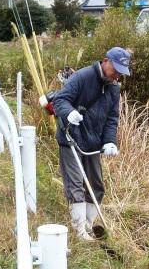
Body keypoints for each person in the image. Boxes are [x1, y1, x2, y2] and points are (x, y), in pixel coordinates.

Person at [53, 47, 131, 241]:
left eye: (122, 73)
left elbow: (112, 118)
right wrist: (69, 112)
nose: (117, 76)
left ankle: (88, 225)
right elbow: (60, 100)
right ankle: (79, 231)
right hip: (71, 137)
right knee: (76, 184)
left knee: (96, 185)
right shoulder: (82, 77)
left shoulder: (114, 88)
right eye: (116, 70)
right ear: (106, 61)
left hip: (94, 142)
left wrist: (110, 142)